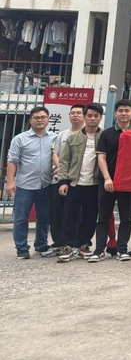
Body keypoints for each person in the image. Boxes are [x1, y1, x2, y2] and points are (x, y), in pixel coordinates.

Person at [5, 106, 57, 259]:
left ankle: (41, 245)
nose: (40, 120)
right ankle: (21, 248)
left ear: (48, 119)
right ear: (30, 120)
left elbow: (59, 157)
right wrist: (10, 182)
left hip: (46, 184)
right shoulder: (20, 139)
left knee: (44, 218)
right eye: (36, 117)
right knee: (21, 218)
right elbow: (12, 161)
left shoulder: (54, 138)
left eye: (43, 117)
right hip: (24, 185)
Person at [55, 103, 103, 263]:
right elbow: (64, 161)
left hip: (94, 184)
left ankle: (84, 245)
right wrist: (63, 181)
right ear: (85, 117)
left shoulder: (104, 137)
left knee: (90, 216)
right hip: (74, 183)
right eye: (89, 115)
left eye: (96, 116)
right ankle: (68, 246)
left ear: (100, 118)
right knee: (69, 215)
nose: (92, 118)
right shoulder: (73, 137)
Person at [92, 99, 131, 262]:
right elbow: (101, 157)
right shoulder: (107, 134)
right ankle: (98, 250)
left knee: (126, 217)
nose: (124, 114)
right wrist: (107, 178)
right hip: (107, 181)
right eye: (120, 111)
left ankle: (122, 249)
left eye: (127, 110)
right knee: (103, 217)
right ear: (115, 113)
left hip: (128, 183)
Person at [49, 103, 85, 256]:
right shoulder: (62, 135)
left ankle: (75, 243)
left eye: (78, 113)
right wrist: (61, 167)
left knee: (75, 213)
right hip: (59, 178)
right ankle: (59, 242)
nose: (75, 115)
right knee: (57, 211)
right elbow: (55, 153)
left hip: (78, 180)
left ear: (84, 116)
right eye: (72, 113)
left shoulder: (87, 134)